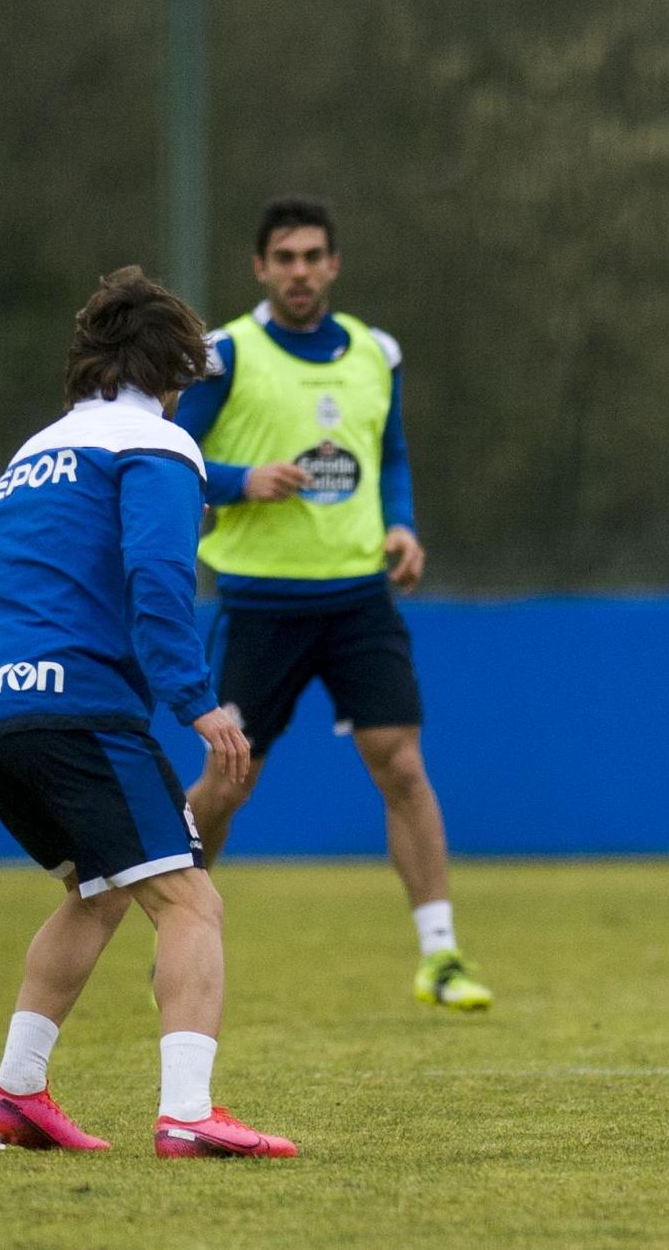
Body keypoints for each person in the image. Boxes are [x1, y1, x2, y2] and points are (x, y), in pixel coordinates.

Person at [0, 266, 295, 1158]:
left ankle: (17, 1092)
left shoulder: (37, 450)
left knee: (97, 891)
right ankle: (187, 1112)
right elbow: (158, 577)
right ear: (170, 371)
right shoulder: (156, 446)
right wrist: (198, 701)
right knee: (189, 900)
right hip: (77, 707)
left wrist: (229, 484)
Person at [172, 196, 491, 1012]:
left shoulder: (376, 353)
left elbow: (391, 455)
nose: (301, 270)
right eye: (285, 257)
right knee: (228, 775)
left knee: (404, 763)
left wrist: (402, 527)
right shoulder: (226, 356)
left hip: (358, 599)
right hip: (260, 605)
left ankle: (441, 954)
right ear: (260, 267)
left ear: (334, 263)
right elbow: (171, 458)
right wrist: (245, 481)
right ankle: (175, 932)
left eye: (314, 255)